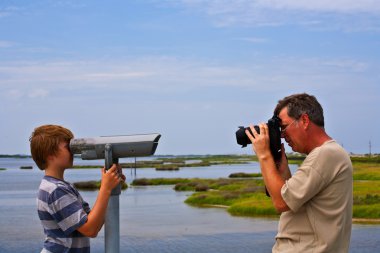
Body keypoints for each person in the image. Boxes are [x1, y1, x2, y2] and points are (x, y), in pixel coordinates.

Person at [245, 93, 352, 253]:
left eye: (284, 127)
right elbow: (296, 201)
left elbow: (281, 203)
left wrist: (264, 155)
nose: (282, 135)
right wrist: (282, 170)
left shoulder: (325, 154)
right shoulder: (330, 153)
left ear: (304, 120)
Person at [30, 124, 126, 253]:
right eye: (67, 147)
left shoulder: (61, 187)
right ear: (50, 155)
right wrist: (105, 188)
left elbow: (94, 222)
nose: (72, 151)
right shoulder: (55, 190)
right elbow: (90, 230)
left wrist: (110, 186)